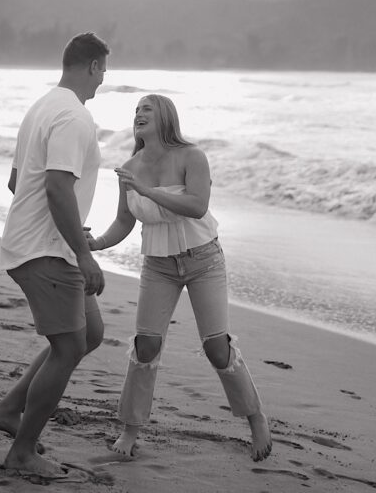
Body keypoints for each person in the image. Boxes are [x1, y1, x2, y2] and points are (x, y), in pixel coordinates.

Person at [88, 93, 272, 462]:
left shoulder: (192, 157)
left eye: (147, 109)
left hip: (204, 259)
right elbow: (125, 221)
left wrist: (147, 190)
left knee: (216, 347)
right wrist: (95, 244)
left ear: (166, 118)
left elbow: (196, 205)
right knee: (145, 346)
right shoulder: (130, 166)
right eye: (136, 109)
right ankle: (130, 429)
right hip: (157, 265)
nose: (138, 113)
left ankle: (255, 418)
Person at [0, 32, 110, 479]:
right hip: (46, 251)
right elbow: (56, 186)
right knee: (69, 345)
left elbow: (18, 183)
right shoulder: (75, 116)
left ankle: (7, 409)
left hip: (43, 242)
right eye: (103, 71)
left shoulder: (41, 106)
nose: (102, 82)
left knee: (90, 332)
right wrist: (82, 250)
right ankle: (22, 451)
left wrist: (73, 230)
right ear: (93, 66)